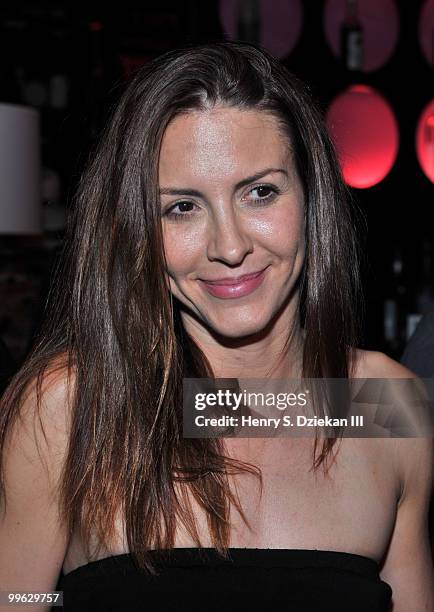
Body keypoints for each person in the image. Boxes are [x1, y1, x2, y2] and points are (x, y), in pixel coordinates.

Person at [0, 41, 432, 612]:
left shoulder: (382, 405)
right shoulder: (74, 406)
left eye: (260, 192)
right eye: (182, 207)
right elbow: (17, 597)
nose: (230, 247)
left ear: (311, 196)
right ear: (138, 232)